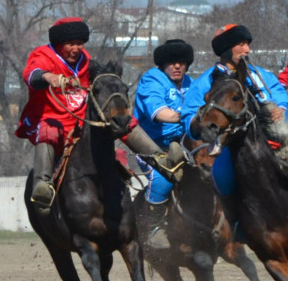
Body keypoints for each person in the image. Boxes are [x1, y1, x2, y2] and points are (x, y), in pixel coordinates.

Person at [16, 17, 183, 211]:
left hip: (81, 118)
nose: (76, 48)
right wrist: (47, 76)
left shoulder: (85, 60)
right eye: (71, 44)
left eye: (79, 44)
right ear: (59, 44)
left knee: (122, 119)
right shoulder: (43, 55)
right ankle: (42, 184)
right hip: (51, 118)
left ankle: (161, 160)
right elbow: (31, 73)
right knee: (49, 131)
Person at [181, 24, 288, 237]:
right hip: (235, 141)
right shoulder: (204, 83)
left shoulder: (261, 75)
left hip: (277, 128)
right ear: (226, 49)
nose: (247, 50)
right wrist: (201, 122)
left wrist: (282, 108)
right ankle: (237, 225)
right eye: (241, 45)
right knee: (221, 174)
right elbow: (190, 122)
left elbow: (280, 96)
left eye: (248, 44)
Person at [134, 39, 194, 250]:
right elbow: (158, 113)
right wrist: (188, 116)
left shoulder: (190, 83)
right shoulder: (151, 79)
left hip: (185, 145)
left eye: (182, 62)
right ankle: (154, 229)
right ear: (162, 64)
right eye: (171, 62)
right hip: (153, 147)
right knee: (163, 179)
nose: (177, 66)